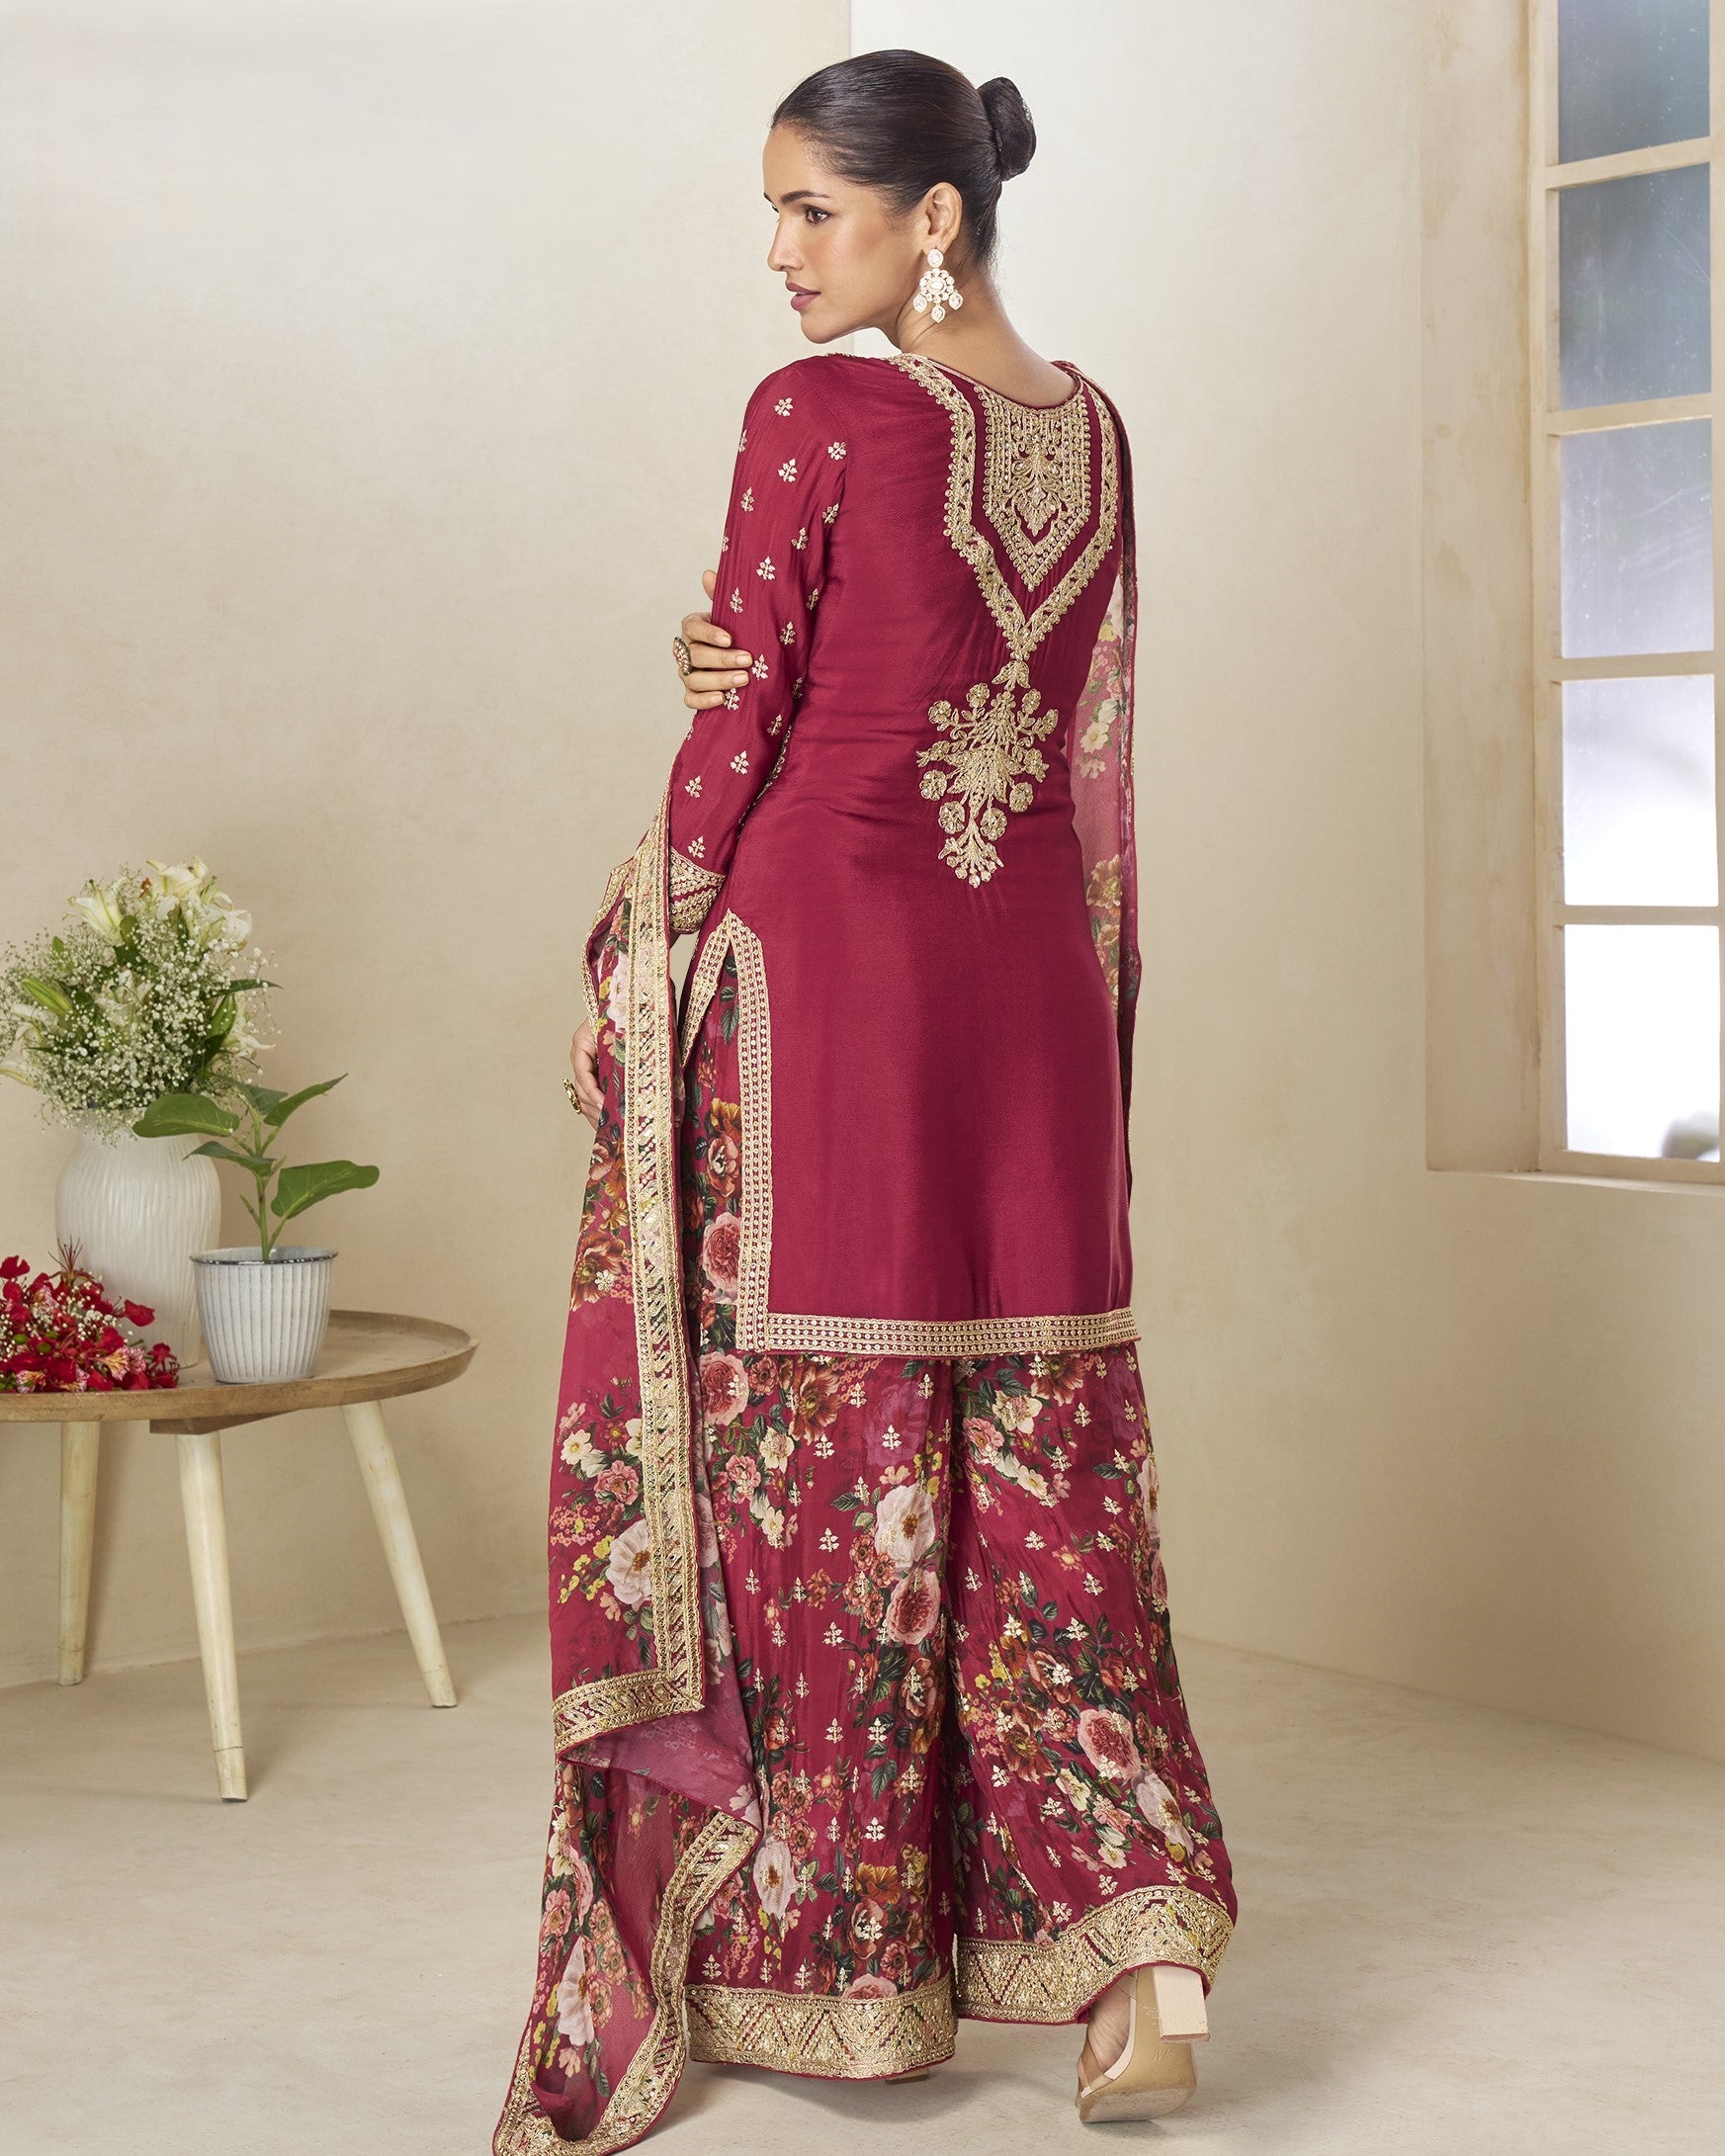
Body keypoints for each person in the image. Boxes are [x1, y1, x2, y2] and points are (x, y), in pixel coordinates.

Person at [493, 48, 1237, 2154]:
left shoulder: (809, 417)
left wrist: (630, 970)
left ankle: (839, 1961)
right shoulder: (1091, 429)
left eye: (814, 211)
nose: (779, 253)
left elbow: (746, 743)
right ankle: (1141, 1962)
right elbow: (1082, 760)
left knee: (817, 1482)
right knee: (1043, 1481)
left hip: (817, 1001)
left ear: (933, 219)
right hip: (1025, 1018)